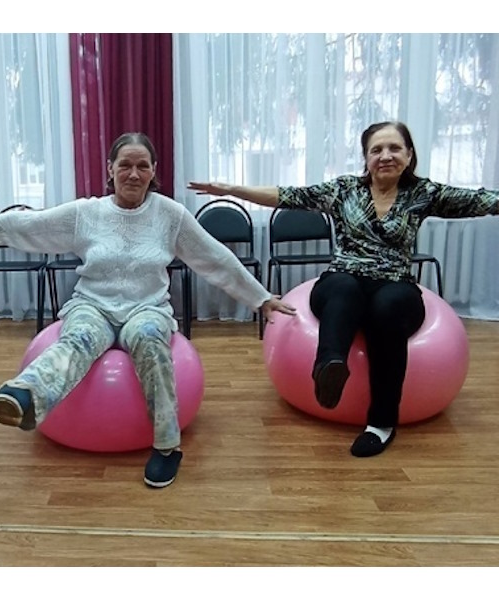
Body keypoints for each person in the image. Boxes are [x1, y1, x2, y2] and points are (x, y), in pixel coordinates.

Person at [0, 132, 296, 488]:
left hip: (147, 307)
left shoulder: (170, 215)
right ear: (110, 169)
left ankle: (167, 447)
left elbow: (214, 257)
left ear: (153, 171)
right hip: (92, 304)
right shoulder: (87, 213)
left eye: (142, 166)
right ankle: (25, 395)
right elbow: (25, 223)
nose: (133, 174)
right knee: (79, 338)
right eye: (125, 165)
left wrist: (260, 298)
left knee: (149, 341)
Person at [189, 120, 499, 458]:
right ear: (366, 157)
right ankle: (330, 368)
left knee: (388, 306)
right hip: (342, 280)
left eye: (394, 148)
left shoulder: (424, 193)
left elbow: (480, 200)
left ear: (409, 155)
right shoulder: (344, 189)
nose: (385, 155)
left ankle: (380, 424)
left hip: (395, 284)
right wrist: (232, 190)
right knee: (344, 288)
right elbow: (288, 195)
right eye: (376, 149)